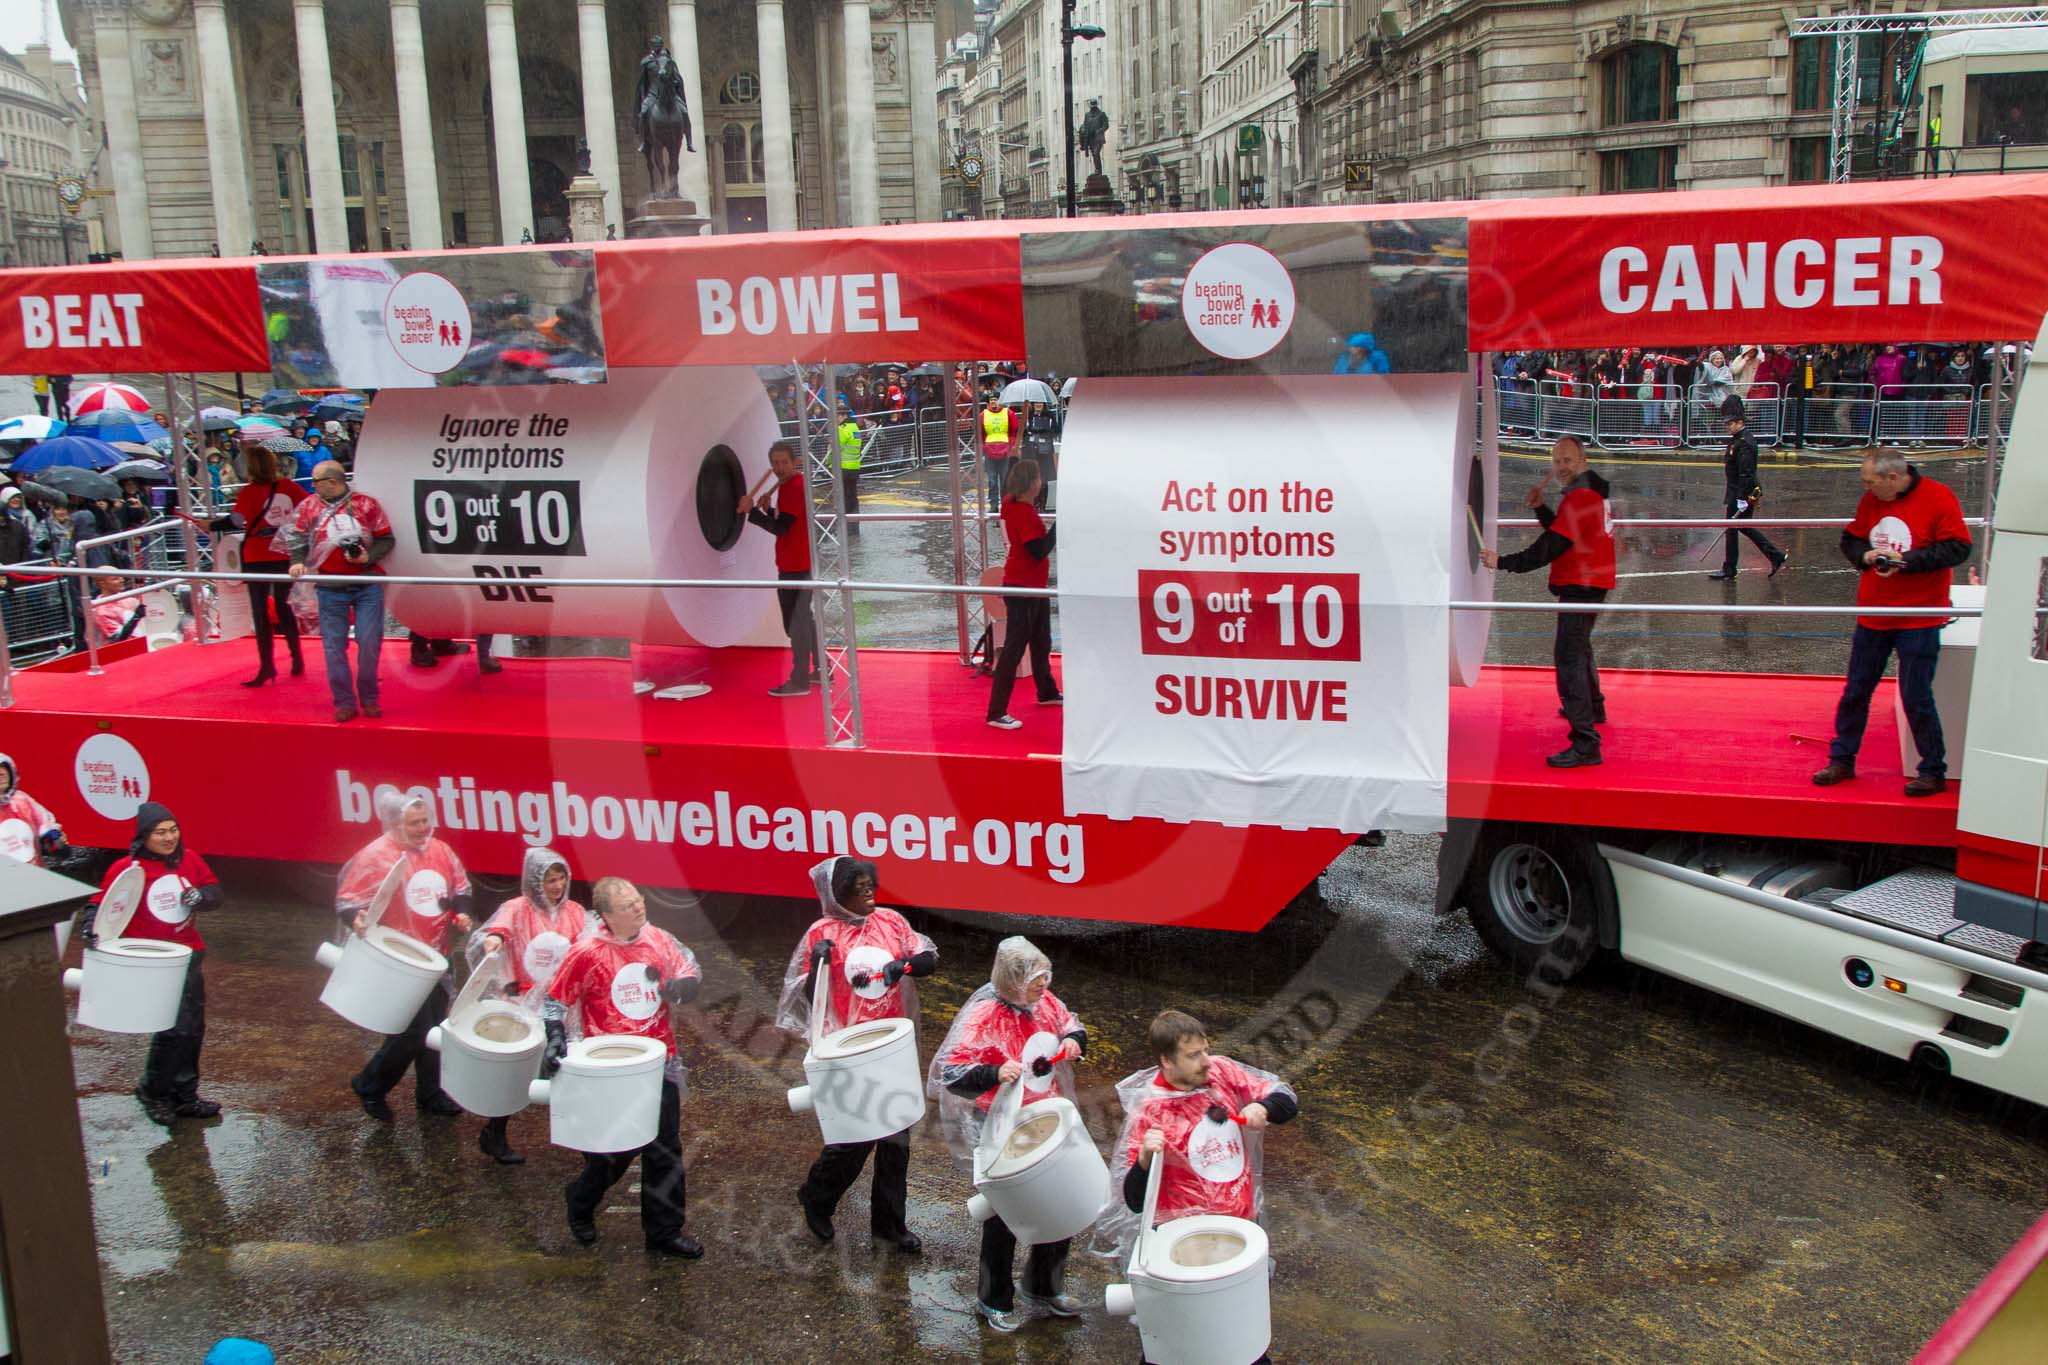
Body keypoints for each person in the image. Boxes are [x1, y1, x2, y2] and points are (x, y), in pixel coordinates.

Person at [1103, 1010, 1297, 1365]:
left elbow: (1286, 1099)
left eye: (1206, 1050)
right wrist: (1146, 1157)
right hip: (1183, 1243)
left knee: (1243, 1338)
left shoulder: (1221, 1072)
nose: (1206, 1061)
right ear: (1166, 1060)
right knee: (1177, 1342)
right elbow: (1132, 1201)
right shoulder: (1150, 1112)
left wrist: (1261, 1105)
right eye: (1193, 1055)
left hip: (1237, 1229)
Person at [929, 937, 1089, 1333]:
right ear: (1013, 979)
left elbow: (1071, 1024)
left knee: (1060, 1199)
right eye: (1036, 978)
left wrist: (1072, 1041)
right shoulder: (984, 1014)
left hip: (1046, 1114)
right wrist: (994, 1073)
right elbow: (952, 1073)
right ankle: (992, 1298)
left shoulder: (1044, 1002)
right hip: (1000, 1121)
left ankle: (1043, 1285)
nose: (1044, 984)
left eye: (1046, 976)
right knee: (1004, 1212)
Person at [778, 855, 937, 1253]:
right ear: (838, 894)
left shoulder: (891, 922)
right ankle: (817, 1197)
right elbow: (809, 995)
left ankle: (889, 1226)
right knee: (854, 1137)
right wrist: (820, 962)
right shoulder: (822, 932)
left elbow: (927, 958)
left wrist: (902, 966)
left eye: (871, 886)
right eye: (859, 887)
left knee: (896, 1137)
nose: (869, 893)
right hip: (848, 1046)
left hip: (890, 1041)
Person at [546, 876, 704, 1258]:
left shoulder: (658, 940)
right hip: (612, 1068)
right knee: (613, 1153)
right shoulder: (586, 951)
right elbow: (555, 1000)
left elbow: (689, 973)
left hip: (658, 1060)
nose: (638, 907)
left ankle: (664, 1231)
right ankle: (581, 1199)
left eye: (638, 899)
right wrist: (554, 1038)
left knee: (664, 1150)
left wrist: (681, 988)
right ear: (605, 916)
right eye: (627, 905)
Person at [1812, 451, 1972, 797]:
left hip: (1919, 615)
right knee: (1857, 690)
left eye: (1871, 482)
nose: (1865, 488)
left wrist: (1907, 561)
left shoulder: (1938, 497)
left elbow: (1958, 548)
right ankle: (1842, 757)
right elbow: (1851, 538)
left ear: (1894, 478)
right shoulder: (1872, 500)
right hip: (1875, 612)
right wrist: (1864, 556)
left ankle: (1932, 768)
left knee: (1916, 695)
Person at [336, 790, 474, 1121]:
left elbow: (461, 888)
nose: (423, 828)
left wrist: (462, 912)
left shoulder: (439, 850)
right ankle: (370, 1084)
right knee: (413, 1031)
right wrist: (354, 916)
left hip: (436, 956)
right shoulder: (377, 856)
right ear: (395, 823)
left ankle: (431, 1093)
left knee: (437, 1028)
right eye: (415, 823)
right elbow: (349, 898)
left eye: (426, 820)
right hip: (399, 961)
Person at [82, 802, 224, 1125]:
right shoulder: (126, 869)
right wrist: (91, 927)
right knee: (172, 1030)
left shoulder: (190, 860)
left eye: (173, 830)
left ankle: (185, 1095)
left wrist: (201, 897)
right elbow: (100, 904)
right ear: (144, 837)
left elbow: (215, 892)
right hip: (152, 962)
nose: (169, 837)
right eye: (160, 832)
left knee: (193, 1029)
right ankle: (154, 1092)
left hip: (188, 954)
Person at [1480, 436, 1615, 768]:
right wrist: (1541, 509)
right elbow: (1566, 533)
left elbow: (1551, 545)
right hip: (1593, 581)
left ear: (1582, 460)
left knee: (1568, 658)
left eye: (1567, 460)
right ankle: (1593, 707)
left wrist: (1503, 562)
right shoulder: (1590, 493)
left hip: (1581, 583)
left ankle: (1585, 741)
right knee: (1580, 647)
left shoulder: (1580, 498)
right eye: (1556, 461)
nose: (1561, 467)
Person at [469, 847, 589, 1164]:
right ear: (535, 882)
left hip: (562, 1003)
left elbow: (588, 945)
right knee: (519, 1071)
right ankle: (494, 1133)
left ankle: (583, 1136)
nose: (557, 886)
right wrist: (494, 941)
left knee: (569, 1065)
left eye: (561, 878)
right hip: (523, 1002)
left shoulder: (575, 911)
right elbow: (499, 929)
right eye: (549, 880)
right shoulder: (517, 909)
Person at [285, 461, 394, 722]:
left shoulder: (366, 504)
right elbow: (296, 537)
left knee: (369, 642)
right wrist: (296, 560)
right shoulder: (310, 507)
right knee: (333, 646)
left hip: (366, 583)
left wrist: (368, 557)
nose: (313, 486)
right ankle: (344, 700)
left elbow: (387, 538)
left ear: (332, 482)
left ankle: (369, 696)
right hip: (329, 586)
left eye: (317, 481)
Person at [739, 440, 819, 698]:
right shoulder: (791, 485)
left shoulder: (793, 488)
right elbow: (788, 521)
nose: (779, 468)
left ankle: (799, 681)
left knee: (795, 625)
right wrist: (769, 510)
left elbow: (781, 528)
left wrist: (752, 513)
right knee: (804, 620)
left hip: (796, 565)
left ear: (795, 462)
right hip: (800, 561)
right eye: (775, 463)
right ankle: (820, 669)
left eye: (784, 462)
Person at [986, 458, 1060, 730]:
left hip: (1031, 586)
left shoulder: (1012, 505)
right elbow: (1037, 550)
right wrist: (1058, 528)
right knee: (1015, 648)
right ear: (1032, 484)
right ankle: (996, 711)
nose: (1041, 483)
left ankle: (1047, 691)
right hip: (1023, 586)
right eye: (1038, 478)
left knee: (1042, 640)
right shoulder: (1023, 514)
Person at [225, 446, 308, 686]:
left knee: (260, 612)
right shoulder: (289, 487)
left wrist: (211, 525)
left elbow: (237, 520)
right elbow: (307, 507)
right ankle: (296, 658)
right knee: (285, 607)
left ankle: (267, 667)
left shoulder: (248, 493)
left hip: (256, 556)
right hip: (283, 552)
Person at [1708, 397, 1787, 582]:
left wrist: (1742, 499)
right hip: (1737, 491)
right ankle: (1774, 556)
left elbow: (1746, 473)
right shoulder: (1739, 439)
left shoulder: (1744, 442)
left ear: (1740, 422)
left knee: (1735, 528)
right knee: (1741, 527)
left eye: (1730, 423)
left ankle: (1730, 568)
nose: (1727, 426)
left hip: (1741, 492)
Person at [0, 753, 67, 867]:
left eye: (4, 768)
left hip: (33, 875)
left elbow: (45, 824)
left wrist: (52, 839)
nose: (2, 773)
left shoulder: (22, 801)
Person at [981, 391, 1015, 510]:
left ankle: (1005, 506)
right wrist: (985, 448)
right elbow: (980, 434)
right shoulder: (983, 415)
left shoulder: (1008, 413)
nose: (993, 401)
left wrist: (1010, 447)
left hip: (1005, 453)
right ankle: (994, 506)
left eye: (996, 399)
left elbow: (1013, 432)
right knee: (992, 481)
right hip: (990, 454)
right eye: (991, 400)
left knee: (1004, 481)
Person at [836, 403, 864, 538]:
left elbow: (835, 449)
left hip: (843, 468)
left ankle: (847, 529)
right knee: (853, 499)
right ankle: (854, 528)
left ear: (843, 415)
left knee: (844, 499)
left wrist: (828, 465)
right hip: (854, 468)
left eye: (837, 416)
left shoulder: (842, 429)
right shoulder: (854, 428)